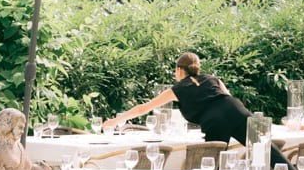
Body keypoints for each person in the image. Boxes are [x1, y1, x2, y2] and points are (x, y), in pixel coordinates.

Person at [104, 52, 251, 144]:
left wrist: (115, 121)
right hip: (236, 110)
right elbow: (227, 97)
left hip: (215, 121)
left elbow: (144, 108)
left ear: (179, 70)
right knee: (263, 150)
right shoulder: (213, 79)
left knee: (213, 161)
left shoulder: (178, 89)